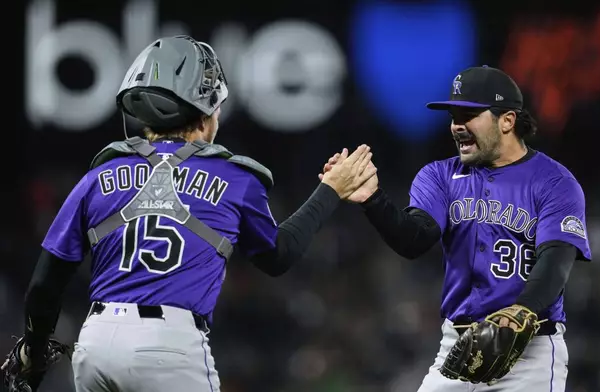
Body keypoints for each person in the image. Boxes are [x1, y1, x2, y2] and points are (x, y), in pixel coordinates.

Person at [5, 35, 375, 392]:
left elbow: (44, 286)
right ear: (204, 114)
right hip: (169, 345)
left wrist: (34, 352)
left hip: (97, 344)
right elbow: (278, 256)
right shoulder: (235, 178)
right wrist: (330, 190)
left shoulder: (98, 176)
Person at [321, 65, 591, 391]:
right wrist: (373, 200)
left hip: (528, 351)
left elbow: (555, 261)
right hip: (457, 347)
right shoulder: (439, 176)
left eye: (468, 115)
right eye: (454, 116)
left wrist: (520, 311)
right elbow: (415, 240)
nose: (457, 126)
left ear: (507, 120)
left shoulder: (554, 182)